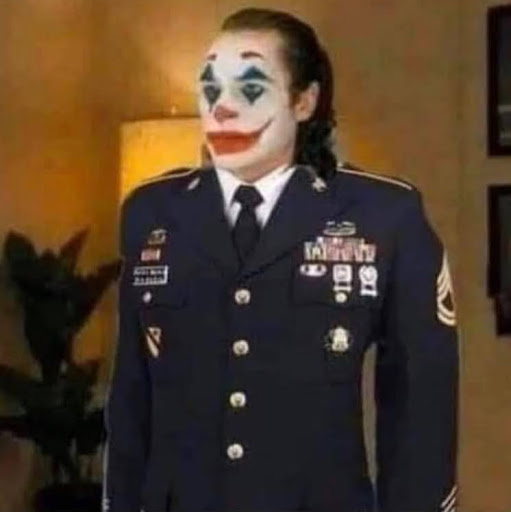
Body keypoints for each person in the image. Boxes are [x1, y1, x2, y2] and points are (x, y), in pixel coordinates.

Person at [102, 7, 459, 512]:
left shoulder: (383, 215)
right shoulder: (151, 211)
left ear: (304, 101)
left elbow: (421, 405)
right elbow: (131, 399)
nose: (221, 107)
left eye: (250, 87)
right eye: (209, 87)